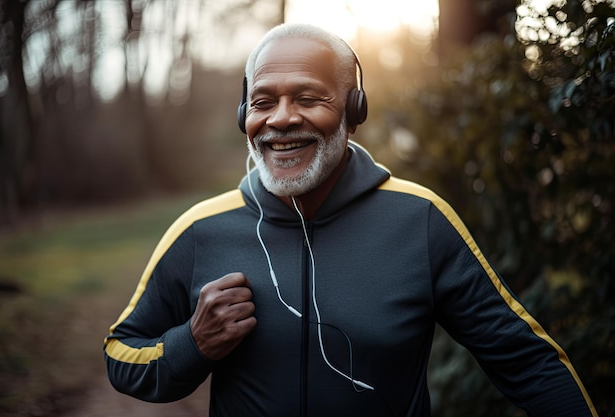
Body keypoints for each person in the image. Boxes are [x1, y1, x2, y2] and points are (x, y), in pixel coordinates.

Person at [104, 23, 597, 417]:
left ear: (353, 109)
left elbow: (528, 362)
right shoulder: (201, 229)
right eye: (262, 102)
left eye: (307, 98)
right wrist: (192, 343)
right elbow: (121, 354)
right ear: (243, 116)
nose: (280, 119)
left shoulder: (420, 219)